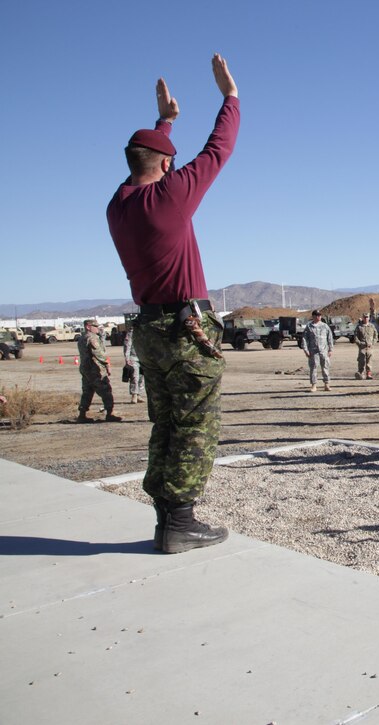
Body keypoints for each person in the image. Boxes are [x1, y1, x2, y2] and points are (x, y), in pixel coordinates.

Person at [106, 54, 237, 554]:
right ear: (165, 165)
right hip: (186, 330)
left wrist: (164, 124)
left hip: (150, 330)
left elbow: (150, 166)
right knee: (196, 426)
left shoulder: (118, 205)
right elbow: (218, 148)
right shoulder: (171, 197)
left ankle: (167, 520)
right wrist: (231, 98)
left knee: (166, 423)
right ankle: (181, 523)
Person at [77, 320, 121, 423]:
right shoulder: (92, 338)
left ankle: (82, 414)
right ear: (88, 327)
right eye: (95, 326)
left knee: (87, 392)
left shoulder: (82, 338)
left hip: (85, 369)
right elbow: (99, 354)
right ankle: (110, 413)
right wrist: (107, 364)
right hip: (95, 369)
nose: (97, 328)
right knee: (106, 391)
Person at [301, 310, 334, 392]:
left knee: (325, 367)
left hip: (324, 351)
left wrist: (330, 349)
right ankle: (314, 385)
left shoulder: (325, 326)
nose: (319, 317)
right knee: (313, 368)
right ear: (313, 316)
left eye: (320, 315)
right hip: (313, 351)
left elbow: (330, 338)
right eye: (317, 315)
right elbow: (304, 339)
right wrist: (305, 350)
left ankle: (326, 384)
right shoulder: (309, 327)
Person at [122, 327, 145, 404]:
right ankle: (134, 394)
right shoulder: (131, 332)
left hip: (143, 358)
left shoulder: (145, 331)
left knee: (142, 377)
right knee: (134, 377)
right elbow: (127, 345)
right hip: (133, 357)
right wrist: (127, 358)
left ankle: (139, 394)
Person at [353, 314, 377, 380]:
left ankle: (368, 374)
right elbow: (355, 337)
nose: (366, 319)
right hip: (362, 347)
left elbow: (376, 335)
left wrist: (373, 343)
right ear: (363, 318)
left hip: (370, 347)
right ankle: (360, 373)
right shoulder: (359, 327)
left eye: (367, 317)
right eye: (365, 317)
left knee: (369, 361)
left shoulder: (372, 326)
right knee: (361, 361)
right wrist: (360, 343)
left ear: (369, 318)